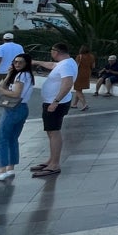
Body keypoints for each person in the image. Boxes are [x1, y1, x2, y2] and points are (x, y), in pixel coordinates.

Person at [29, 43, 77, 178]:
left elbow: (67, 83)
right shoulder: (66, 63)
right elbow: (51, 65)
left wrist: (56, 101)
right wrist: (36, 62)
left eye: (51, 51)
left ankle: (54, 164)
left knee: (54, 132)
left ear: (56, 52)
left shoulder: (66, 65)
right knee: (51, 131)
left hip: (56, 103)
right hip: (53, 102)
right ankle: (51, 160)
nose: (51, 53)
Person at [0, 53, 36, 181]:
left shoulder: (21, 76)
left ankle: (2, 170)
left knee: (1, 138)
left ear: (26, 63)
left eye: (20, 62)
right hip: (23, 108)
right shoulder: (27, 75)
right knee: (12, 139)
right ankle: (10, 168)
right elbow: (6, 86)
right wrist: (9, 74)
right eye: (15, 62)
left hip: (14, 108)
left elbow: (15, 94)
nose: (17, 64)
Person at [71, 45, 95, 110]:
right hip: (87, 74)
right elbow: (93, 66)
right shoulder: (91, 56)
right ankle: (74, 104)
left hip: (79, 74)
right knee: (79, 89)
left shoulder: (79, 56)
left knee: (78, 89)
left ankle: (84, 104)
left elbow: (75, 65)